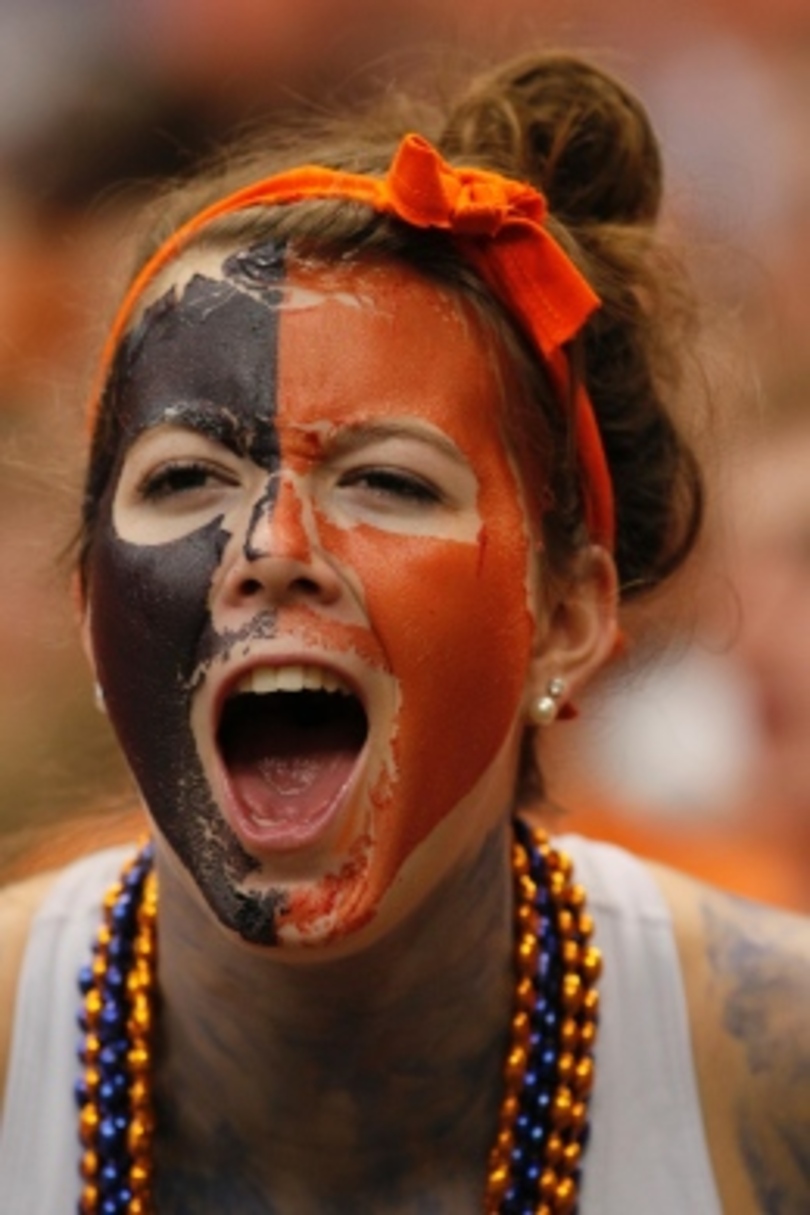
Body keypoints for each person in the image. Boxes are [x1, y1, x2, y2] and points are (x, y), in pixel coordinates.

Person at [0, 50, 807, 1215]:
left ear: (569, 616)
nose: (272, 544)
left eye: (387, 482)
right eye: (185, 479)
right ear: (91, 612)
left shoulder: (770, 1073)